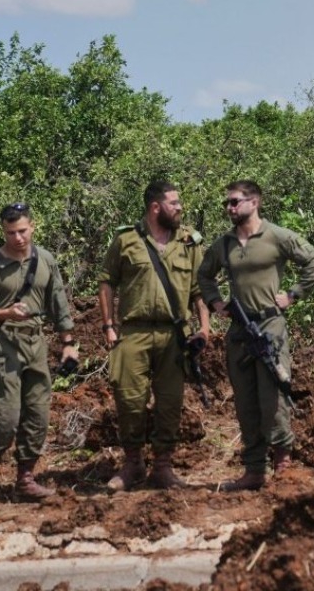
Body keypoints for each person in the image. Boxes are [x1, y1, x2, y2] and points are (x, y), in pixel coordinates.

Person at [197, 181, 314, 491]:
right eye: (227, 203)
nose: (229, 208)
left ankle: (283, 464)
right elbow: (203, 274)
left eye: (234, 202)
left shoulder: (276, 236)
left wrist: (293, 295)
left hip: (270, 327)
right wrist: (215, 302)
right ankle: (254, 470)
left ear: (254, 202)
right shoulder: (224, 244)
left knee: (273, 397)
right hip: (240, 330)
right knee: (245, 401)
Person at [99, 180, 210, 492]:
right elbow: (106, 281)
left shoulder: (189, 242)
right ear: (155, 207)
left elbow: (200, 290)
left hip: (175, 334)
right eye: (174, 203)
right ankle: (133, 464)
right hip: (133, 332)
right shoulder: (126, 240)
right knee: (128, 399)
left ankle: (163, 467)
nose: (180, 208)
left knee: (170, 402)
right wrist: (108, 325)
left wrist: (204, 328)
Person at [0, 203, 77, 504]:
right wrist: (4, 313)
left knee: (38, 412)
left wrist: (68, 343)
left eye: (22, 231)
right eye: (11, 233)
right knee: (7, 414)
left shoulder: (45, 260)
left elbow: (58, 302)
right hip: (3, 344)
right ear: (3, 232)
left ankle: (25, 479)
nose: (18, 238)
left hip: (35, 344)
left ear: (33, 226)